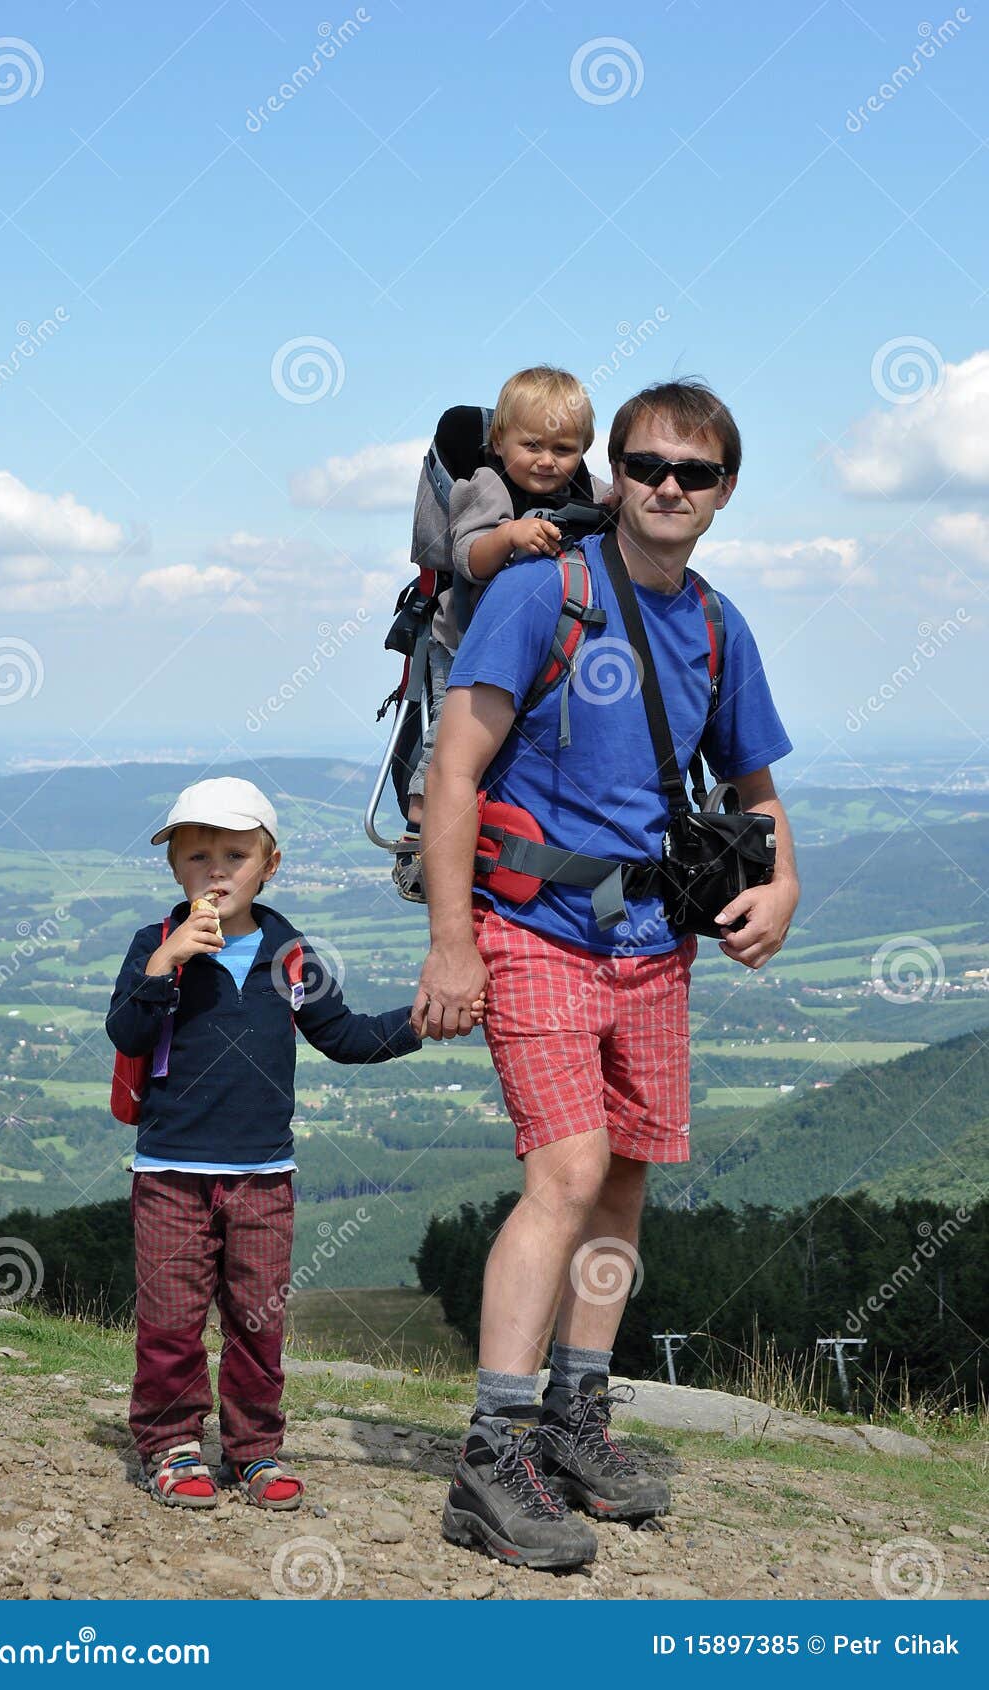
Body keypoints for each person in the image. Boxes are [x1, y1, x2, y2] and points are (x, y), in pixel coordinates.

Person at [412, 380, 799, 1570]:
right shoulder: (538, 593)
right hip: (530, 925)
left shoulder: (720, 626)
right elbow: (456, 773)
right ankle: (492, 1454)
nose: (666, 488)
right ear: (612, 475)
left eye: (691, 472)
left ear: (724, 489)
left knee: (623, 1182)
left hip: (650, 944)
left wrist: (781, 886)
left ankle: (576, 1421)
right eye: (643, 466)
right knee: (567, 1170)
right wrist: (451, 939)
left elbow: (756, 794)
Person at [106, 776, 424, 1511]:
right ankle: (171, 1444)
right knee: (171, 1323)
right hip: (169, 1171)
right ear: (173, 868)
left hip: (262, 1177)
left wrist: (421, 1021)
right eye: (195, 857)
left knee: (258, 1322)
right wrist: (165, 966)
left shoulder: (291, 954)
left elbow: (343, 1037)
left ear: (269, 864)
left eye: (234, 854)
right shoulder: (151, 945)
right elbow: (126, 1032)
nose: (214, 871)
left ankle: (253, 1450)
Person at [395, 365, 611, 895]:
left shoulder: (585, 488)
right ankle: (423, 829)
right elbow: (468, 555)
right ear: (500, 441)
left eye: (563, 448)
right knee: (448, 732)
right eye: (531, 444)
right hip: (465, 639)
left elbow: (614, 509)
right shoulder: (488, 485)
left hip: (539, 648)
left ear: (583, 448)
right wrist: (509, 534)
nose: (546, 460)